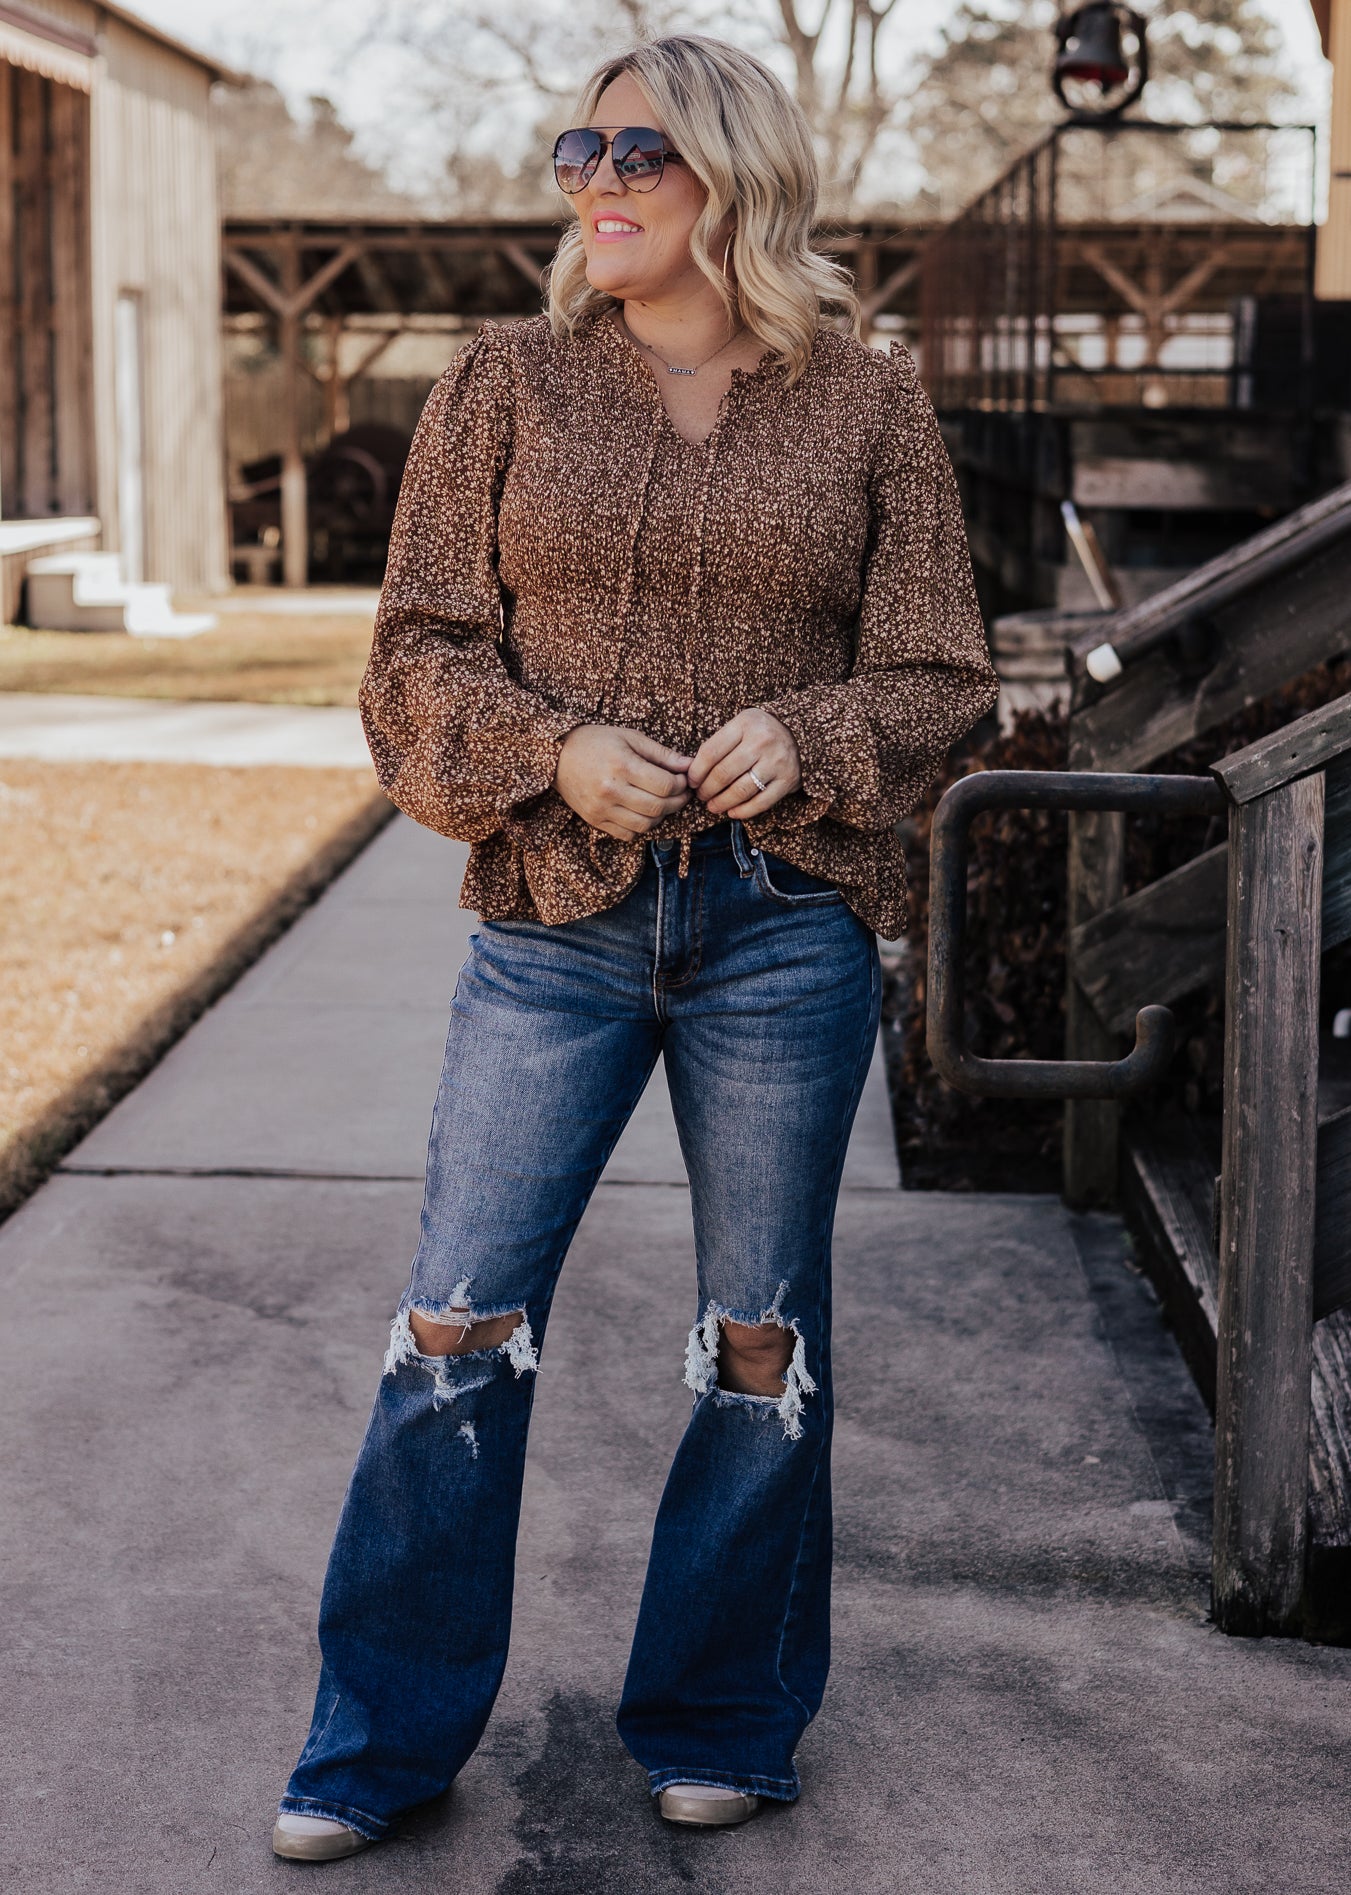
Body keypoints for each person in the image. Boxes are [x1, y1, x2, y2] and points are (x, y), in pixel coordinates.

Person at [272, 32, 998, 1862]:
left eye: (636, 152)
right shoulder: (502, 382)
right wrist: (551, 751)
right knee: (457, 1316)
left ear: (734, 180)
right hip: (552, 924)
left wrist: (811, 739)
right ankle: (377, 1744)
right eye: (578, 146)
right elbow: (416, 655)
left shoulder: (872, 403)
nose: (594, 179)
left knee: (762, 1335)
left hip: (782, 932)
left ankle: (725, 1717)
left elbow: (943, 676)